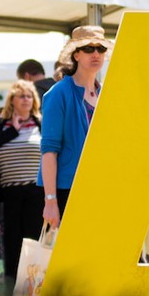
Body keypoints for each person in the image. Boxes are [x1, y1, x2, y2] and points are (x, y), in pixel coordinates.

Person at [40, 26, 113, 229]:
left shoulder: (107, 94)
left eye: (100, 48)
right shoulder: (58, 93)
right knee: (70, 260)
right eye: (88, 48)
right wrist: (51, 201)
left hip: (103, 188)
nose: (96, 53)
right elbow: (49, 152)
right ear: (76, 54)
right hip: (68, 191)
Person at [0, 79, 44, 292]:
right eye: (21, 96)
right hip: (9, 194)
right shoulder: (1, 124)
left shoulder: (41, 123)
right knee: (12, 245)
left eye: (29, 96)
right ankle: (11, 294)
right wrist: (13, 131)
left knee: (34, 243)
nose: (26, 100)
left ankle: (32, 294)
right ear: (12, 100)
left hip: (37, 192)